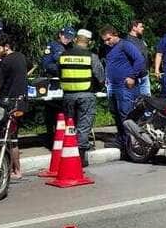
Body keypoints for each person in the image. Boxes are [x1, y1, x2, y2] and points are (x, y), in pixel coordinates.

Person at [59, 30, 105, 167]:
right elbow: (100, 77)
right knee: (84, 126)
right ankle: (81, 157)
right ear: (89, 42)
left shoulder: (63, 55)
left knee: (70, 125)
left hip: (68, 95)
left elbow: (59, 73)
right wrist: (99, 87)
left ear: (75, 40)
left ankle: (68, 151)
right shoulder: (91, 56)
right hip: (86, 95)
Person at [0, 33, 28, 179]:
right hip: (20, 102)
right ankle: (16, 170)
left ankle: (9, 169)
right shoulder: (21, 57)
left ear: (6, 46)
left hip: (7, 102)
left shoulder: (5, 62)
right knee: (12, 137)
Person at [100, 26, 145, 149]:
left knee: (126, 114)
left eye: (108, 39)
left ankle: (131, 143)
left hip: (125, 86)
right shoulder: (108, 48)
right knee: (116, 113)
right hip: (113, 86)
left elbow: (139, 59)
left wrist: (132, 76)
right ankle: (122, 139)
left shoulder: (125, 45)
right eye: (104, 40)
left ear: (115, 35)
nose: (106, 42)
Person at [40, 26, 75, 149]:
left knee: (67, 112)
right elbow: (46, 65)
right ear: (60, 34)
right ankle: (51, 139)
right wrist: (62, 68)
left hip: (67, 85)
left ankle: (67, 138)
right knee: (52, 113)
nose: (67, 39)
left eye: (70, 38)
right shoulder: (52, 46)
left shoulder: (71, 48)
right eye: (65, 36)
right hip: (53, 85)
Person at [124, 20, 151, 97]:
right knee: (134, 100)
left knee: (147, 100)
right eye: (141, 27)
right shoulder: (127, 41)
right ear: (134, 28)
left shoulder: (141, 39)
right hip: (134, 78)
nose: (143, 28)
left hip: (144, 75)